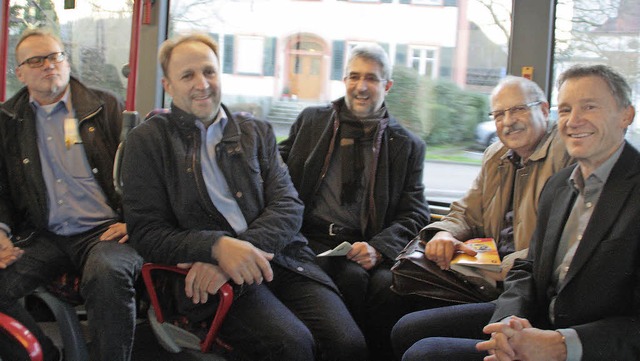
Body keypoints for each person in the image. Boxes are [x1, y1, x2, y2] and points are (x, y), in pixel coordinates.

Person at [121, 33, 367, 361]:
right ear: (167, 85)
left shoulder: (256, 132)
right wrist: (216, 248)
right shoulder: (148, 142)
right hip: (204, 279)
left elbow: (288, 205)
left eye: (209, 71)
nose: (202, 83)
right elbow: (146, 232)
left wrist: (238, 253)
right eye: (187, 75)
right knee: (292, 346)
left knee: (349, 344)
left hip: (281, 258)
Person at [392, 64, 640, 361]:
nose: (574, 121)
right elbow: (529, 268)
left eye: (589, 107)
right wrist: (509, 324)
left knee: (423, 354)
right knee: (405, 329)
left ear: (626, 115)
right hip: (534, 314)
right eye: (566, 110)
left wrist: (561, 345)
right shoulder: (561, 186)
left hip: (588, 343)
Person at [279, 43, 432, 360]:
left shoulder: (407, 145)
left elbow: (415, 213)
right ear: (344, 80)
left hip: (365, 241)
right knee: (351, 279)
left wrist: (379, 248)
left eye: (372, 79)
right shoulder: (311, 122)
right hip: (308, 236)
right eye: (354, 76)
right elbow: (273, 171)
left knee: (388, 286)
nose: (361, 87)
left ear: (386, 86)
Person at [0, 28, 142, 361]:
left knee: (108, 273)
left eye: (55, 56)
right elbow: (1, 187)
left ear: (66, 61)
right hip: (45, 234)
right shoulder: (8, 120)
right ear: (19, 73)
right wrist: (2, 233)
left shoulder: (104, 106)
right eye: (36, 60)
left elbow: (141, 176)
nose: (49, 65)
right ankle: (47, 356)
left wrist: (134, 222)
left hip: (106, 231)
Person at [420, 75, 572, 279]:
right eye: (499, 115)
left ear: (544, 110)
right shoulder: (495, 155)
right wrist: (444, 234)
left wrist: (500, 269)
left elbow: (561, 242)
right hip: (488, 277)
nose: (508, 122)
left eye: (518, 109)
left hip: (526, 285)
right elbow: (467, 213)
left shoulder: (568, 154)